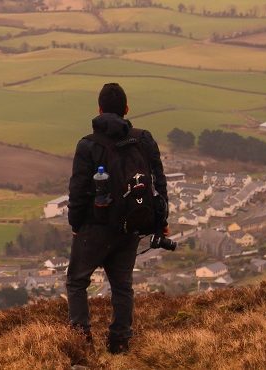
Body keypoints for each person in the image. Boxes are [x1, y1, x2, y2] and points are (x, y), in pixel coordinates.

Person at [66, 83, 168, 354]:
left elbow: (77, 191)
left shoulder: (88, 145)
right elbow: (159, 183)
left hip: (95, 226)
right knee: (122, 285)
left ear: (99, 110)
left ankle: (81, 339)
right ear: (126, 109)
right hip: (132, 223)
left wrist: (76, 225)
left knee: (77, 281)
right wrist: (160, 220)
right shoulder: (144, 139)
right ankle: (120, 340)